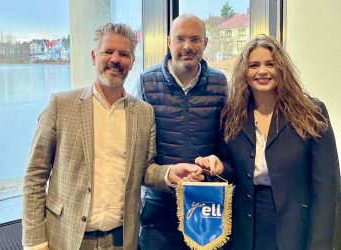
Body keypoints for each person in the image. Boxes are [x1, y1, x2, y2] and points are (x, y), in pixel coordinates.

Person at [22, 23, 204, 250]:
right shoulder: (61, 105)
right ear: (93, 56)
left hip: (122, 240)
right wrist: (35, 242)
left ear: (132, 62)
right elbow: (35, 176)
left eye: (124, 54)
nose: (115, 59)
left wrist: (169, 173)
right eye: (108, 52)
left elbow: (144, 169)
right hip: (66, 238)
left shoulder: (144, 112)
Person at [196, 35, 340, 250]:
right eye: (254, 65)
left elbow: (327, 188)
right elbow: (232, 170)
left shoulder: (312, 113)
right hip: (245, 228)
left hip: (295, 229)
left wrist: (320, 244)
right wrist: (217, 166)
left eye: (270, 64)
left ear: (281, 68)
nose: (262, 71)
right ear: (245, 72)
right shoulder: (232, 114)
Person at [138, 14, 228, 249]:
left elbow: (226, 144)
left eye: (195, 39)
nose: (187, 46)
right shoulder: (146, 82)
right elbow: (138, 153)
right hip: (159, 204)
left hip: (207, 204)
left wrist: (214, 167)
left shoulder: (220, 83)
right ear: (169, 42)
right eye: (180, 39)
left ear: (205, 43)